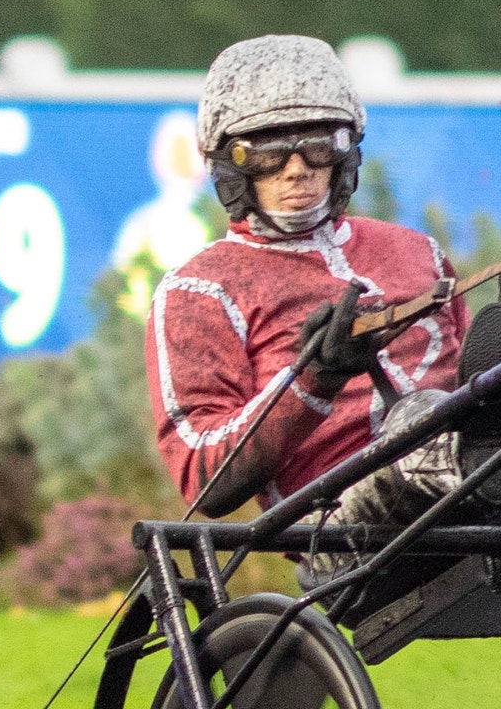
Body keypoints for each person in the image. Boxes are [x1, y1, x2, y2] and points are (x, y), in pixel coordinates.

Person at [146, 34, 476, 521]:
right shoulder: (199, 291)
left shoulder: (417, 252)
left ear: (345, 153)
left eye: (318, 148)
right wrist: (314, 381)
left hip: (477, 478)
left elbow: (474, 387)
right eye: (266, 153)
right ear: (228, 165)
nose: (296, 171)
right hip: (337, 530)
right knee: (425, 429)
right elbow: (203, 481)